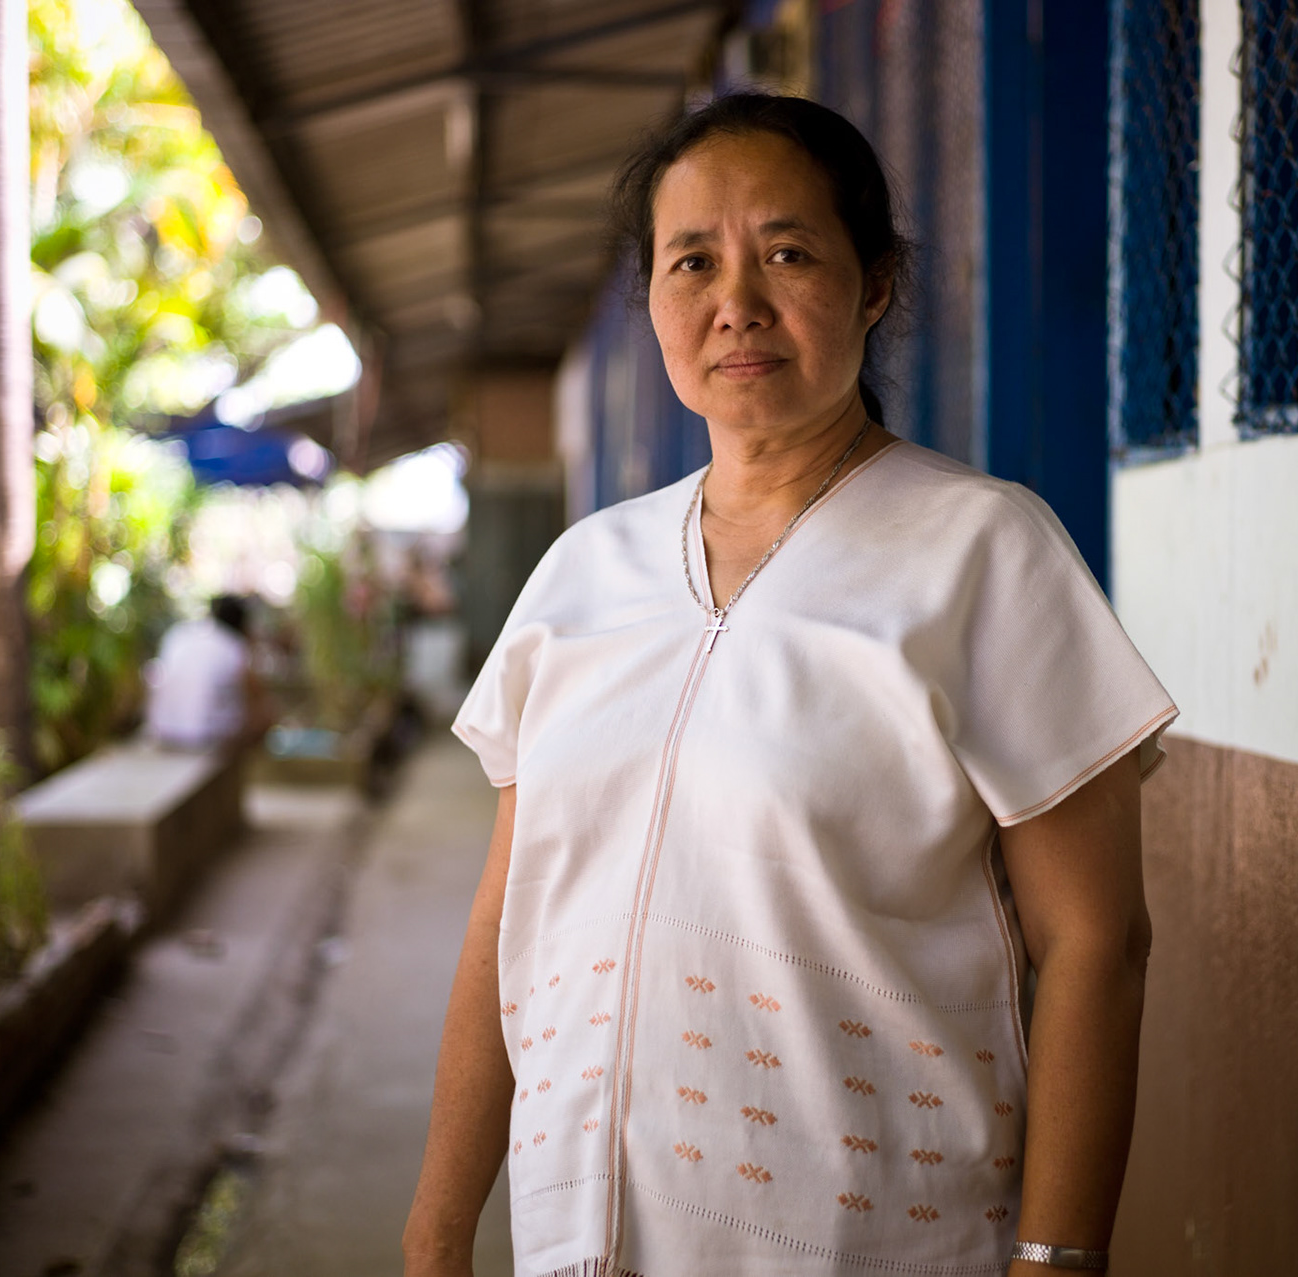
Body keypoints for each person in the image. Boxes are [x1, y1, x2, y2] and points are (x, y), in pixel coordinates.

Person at [405, 94, 1176, 1277]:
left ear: (875, 284)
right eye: (693, 262)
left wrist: (1055, 1259)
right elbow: (506, 919)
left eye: (788, 252)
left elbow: (1097, 941)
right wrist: (437, 1229)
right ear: (652, 297)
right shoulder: (582, 573)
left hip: (869, 1242)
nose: (737, 303)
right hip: (577, 1247)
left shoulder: (980, 551)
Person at [145, 594, 271, 751]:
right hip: (204, 736)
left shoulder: (178, 633)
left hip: (163, 730)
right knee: (261, 718)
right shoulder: (232, 645)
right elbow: (255, 695)